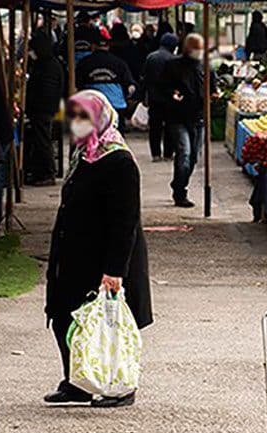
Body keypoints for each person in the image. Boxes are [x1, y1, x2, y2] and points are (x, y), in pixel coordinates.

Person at [44, 90, 152, 408]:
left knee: (108, 324)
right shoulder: (84, 154)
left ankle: (120, 386)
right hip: (76, 254)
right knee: (66, 318)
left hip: (103, 258)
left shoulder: (118, 160)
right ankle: (77, 382)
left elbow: (125, 221)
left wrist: (115, 270)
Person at [160, 33, 209, 207]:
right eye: (196, 48)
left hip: (199, 117)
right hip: (178, 118)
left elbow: (211, 86)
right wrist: (172, 94)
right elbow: (162, 87)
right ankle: (180, 192)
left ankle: (179, 184)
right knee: (184, 154)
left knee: (194, 157)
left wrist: (213, 94)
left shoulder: (205, 66)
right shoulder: (173, 65)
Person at [24, 30, 64, 186]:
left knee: (43, 141)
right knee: (41, 140)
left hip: (43, 109)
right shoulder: (48, 63)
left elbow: (46, 90)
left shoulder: (48, 66)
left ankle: (47, 173)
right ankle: (40, 172)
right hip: (44, 109)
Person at [76, 31, 136, 129]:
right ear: (108, 46)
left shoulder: (84, 63)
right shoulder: (119, 62)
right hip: (116, 104)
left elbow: (78, 84)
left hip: (92, 105)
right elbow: (130, 85)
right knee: (117, 133)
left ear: (93, 46)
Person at [142, 32, 178, 162]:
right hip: (170, 99)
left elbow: (144, 78)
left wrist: (144, 96)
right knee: (170, 126)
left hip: (154, 98)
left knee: (155, 127)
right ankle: (168, 153)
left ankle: (156, 154)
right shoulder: (174, 59)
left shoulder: (151, 57)